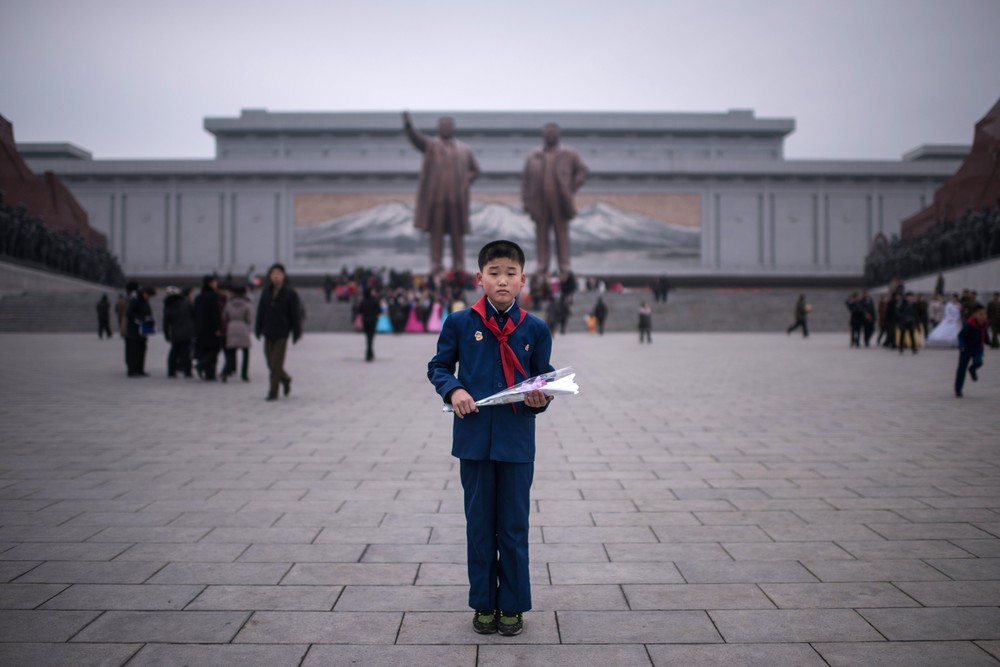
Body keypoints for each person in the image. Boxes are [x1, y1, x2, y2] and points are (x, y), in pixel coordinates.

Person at [427, 239, 555, 637]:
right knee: (480, 525)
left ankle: (513, 606)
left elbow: (543, 379)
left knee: (514, 526)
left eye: (510, 273)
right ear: (479, 278)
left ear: (523, 280)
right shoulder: (460, 324)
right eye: (494, 273)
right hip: (475, 441)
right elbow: (439, 366)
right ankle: (484, 603)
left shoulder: (535, 328)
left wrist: (540, 398)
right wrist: (454, 390)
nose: (502, 280)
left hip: (517, 443)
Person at [403, 111, 481, 274]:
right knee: (436, 234)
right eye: (443, 126)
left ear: (453, 128)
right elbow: (417, 140)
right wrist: (409, 127)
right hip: (436, 199)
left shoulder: (464, 149)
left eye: (448, 125)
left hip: (456, 200)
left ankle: (459, 264)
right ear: (439, 128)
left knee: (457, 234)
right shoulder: (432, 146)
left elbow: (476, 169)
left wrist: (466, 181)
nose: (446, 128)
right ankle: (436, 263)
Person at [521, 123, 588, 278]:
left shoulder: (569, 153)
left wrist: (571, 187)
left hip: (560, 201)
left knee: (561, 235)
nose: (550, 135)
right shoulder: (534, 156)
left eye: (553, 133)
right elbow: (526, 181)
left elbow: (582, 171)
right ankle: (542, 266)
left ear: (558, 135)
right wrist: (526, 201)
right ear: (543, 135)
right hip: (540, 202)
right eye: (547, 133)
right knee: (541, 236)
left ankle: (564, 267)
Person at [255, 263, 302, 401]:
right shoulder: (266, 292)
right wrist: (258, 329)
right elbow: (261, 312)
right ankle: (286, 380)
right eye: (273, 273)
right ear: (270, 276)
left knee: (276, 363)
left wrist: (296, 332)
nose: (275, 276)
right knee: (270, 363)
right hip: (268, 331)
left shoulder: (290, 293)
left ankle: (273, 392)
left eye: (278, 273)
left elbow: (295, 314)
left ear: (283, 276)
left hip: (282, 332)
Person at [955, 304, 989, 397]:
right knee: (961, 370)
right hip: (966, 349)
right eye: (980, 314)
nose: (983, 316)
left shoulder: (985, 324)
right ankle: (958, 390)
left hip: (978, 348)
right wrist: (961, 346)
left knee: (979, 362)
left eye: (985, 314)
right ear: (974, 315)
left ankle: (972, 369)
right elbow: (961, 335)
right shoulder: (969, 325)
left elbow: (985, 334)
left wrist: (988, 342)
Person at [193, 276, 223, 380]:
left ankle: (206, 372)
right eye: (215, 282)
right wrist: (218, 327)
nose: (216, 284)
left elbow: (194, 313)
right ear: (210, 283)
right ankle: (206, 369)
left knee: (204, 351)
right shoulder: (213, 296)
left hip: (200, 328)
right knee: (214, 350)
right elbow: (215, 313)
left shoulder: (198, 297)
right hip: (211, 329)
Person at [222, 286, 253, 382]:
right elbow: (249, 319)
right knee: (245, 353)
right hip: (243, 327)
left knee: (231, 353)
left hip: (231, 328)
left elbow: (224, 317)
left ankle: (226, 372)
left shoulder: (229, 304)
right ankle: (244, 375)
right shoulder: (247, 304)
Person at [162, 286, 195, 378]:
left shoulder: (168, 306)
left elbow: (166, 323)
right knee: (186, 352)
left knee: (174, 352)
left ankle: (171, 371)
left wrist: (167, 335)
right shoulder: (187, 303)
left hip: (175, 332)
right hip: (188, 331)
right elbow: (194, 315)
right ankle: (187, 371)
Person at [125, 286, 155, 377]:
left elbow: (148, 312)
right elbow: (129, 313)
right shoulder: (135, 300)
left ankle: (140, 369)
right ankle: (132, 370)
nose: (148, 297)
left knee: (142, 350)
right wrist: (140, 318)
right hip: (134, 331)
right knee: (134, 351)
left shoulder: (145, 302)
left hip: (143, 331)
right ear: (143, 293)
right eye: (147, 295)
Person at [357, 286, 381, 362]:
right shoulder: (375, 301)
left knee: (368, 337)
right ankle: (369, 353)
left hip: (365, 320)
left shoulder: (363, 301)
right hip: (373, 320)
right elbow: (379, 310)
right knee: (371, 337)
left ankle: (369, 353)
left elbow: (360, 311)